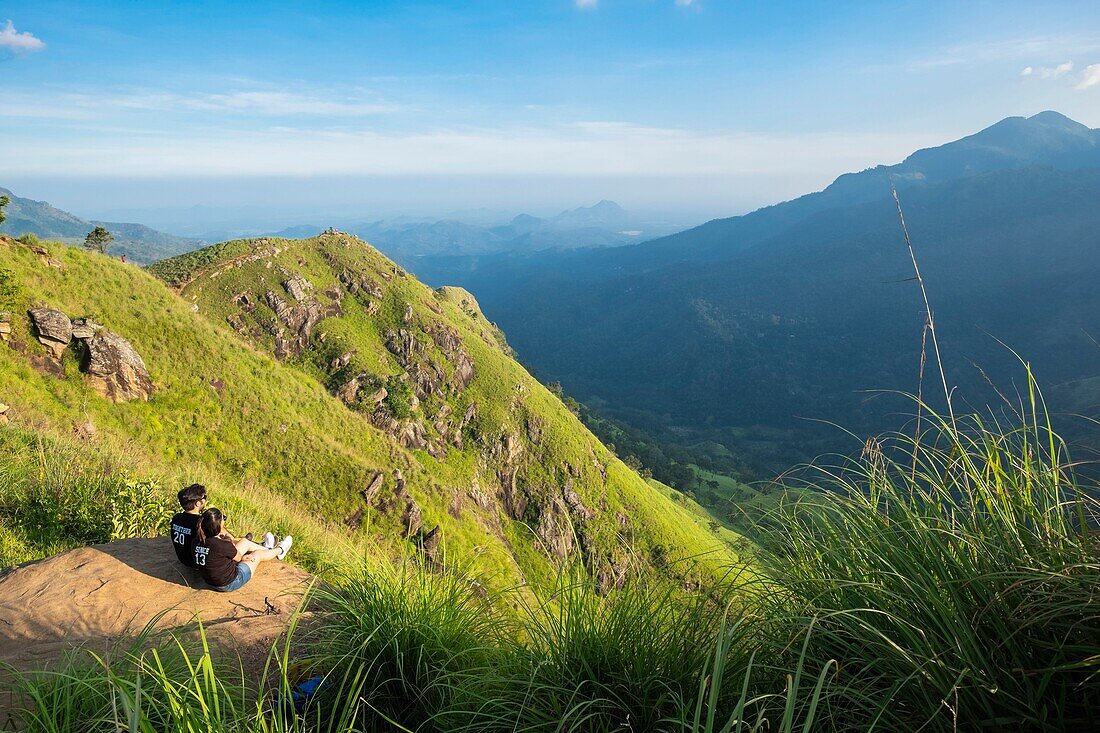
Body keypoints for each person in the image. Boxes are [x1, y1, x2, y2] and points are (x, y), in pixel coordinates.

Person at [170, 484, 274, 568]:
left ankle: (255, 543)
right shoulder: (201, 522)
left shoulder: (176, 518)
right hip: (199, 562)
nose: (205, 500)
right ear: (198, 503)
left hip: (184, 560)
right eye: (204, 498)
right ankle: (266, 548)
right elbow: (224, 537)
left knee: (226, 540)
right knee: (231, 541)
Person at [194, 507, 292, 592]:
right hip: (228, 583)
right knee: (257, 554)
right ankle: (280, 550)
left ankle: (268, 548)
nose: (224, 520)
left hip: (209, 581)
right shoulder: (222, 545)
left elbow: (213, 554)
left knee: (245, 542)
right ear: (219, 525)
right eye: (224, 518)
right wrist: (245, 557)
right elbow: (238, 558)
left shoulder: (196, 541)